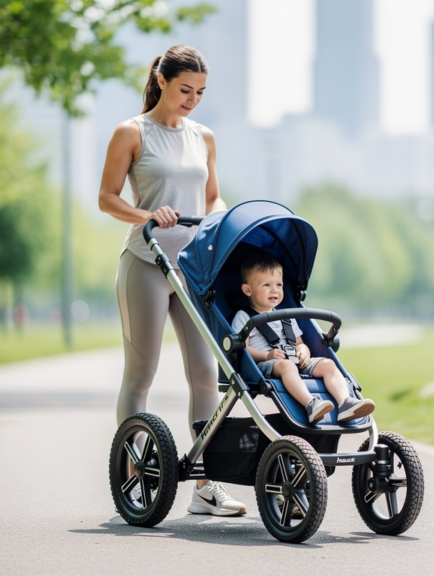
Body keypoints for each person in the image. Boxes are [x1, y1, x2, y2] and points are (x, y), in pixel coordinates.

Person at [98, 45, 245, 517]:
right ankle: (131, 476)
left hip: (193, 268)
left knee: (206, 374)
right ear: (160, 81)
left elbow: (213, 196)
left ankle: (205, 488)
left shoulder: (204, 136)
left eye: (200, 92)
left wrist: (225, 220)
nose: (193, 99)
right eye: (185, 90)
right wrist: (147, 215)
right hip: (146, 262)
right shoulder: (131, 132)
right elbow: (107, 198)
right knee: (141, 374)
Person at [231, 255, 376, 424]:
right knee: (286, 365)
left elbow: (299, 343)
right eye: (266, 285)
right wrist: (267, 356)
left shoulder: (286, 316)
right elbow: (242, 347)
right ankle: (311, 404)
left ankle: (345, 403)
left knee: (328, 364)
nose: (274, 290)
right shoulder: (244, 316)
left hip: (296, 362)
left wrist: (303, 351)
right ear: (248, 290)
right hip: (266, 365)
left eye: (279, 285)